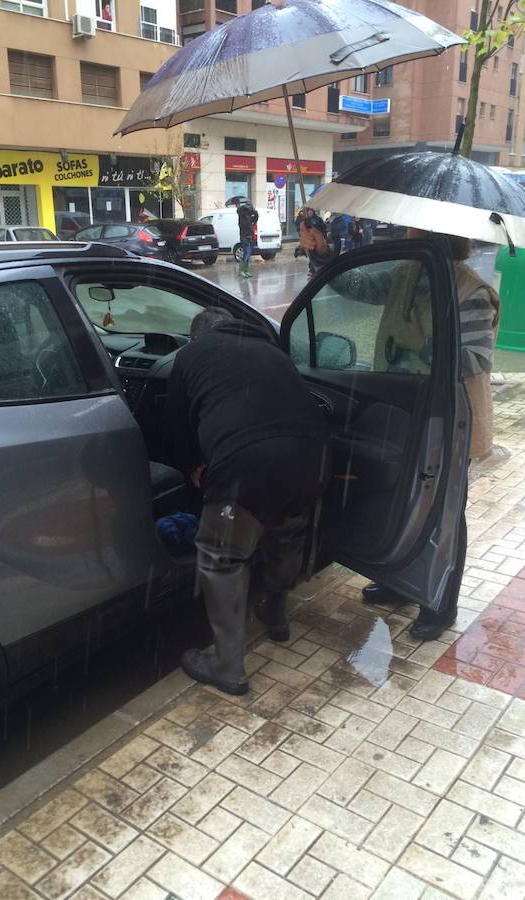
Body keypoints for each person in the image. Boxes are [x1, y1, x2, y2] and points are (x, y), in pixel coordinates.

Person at [297, 224, 499, 640]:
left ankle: (439, 602)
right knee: (402, 497)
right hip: (402, 407)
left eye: (414, 231)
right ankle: (398, 581)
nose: (406, 237)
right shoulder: (406, 273)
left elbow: (474, 358)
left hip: (447, 419)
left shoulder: (471, 290)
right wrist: (323, 252)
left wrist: (422, 343)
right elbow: (357, 286)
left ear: (435, 238)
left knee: (443, 512)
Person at [164, 308, 330, 695]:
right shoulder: (271, 350)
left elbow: (174, 426)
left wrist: (191, 464)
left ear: (196, 337)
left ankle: (227, 666)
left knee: (220, 557)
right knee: (285, 532)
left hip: (248, 462)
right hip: (314, 458)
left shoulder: (192, 355)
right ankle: (275, 613)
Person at [237, 201, 258, 278]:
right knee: (246, 253)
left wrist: (255, 212)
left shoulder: (249, 217)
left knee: (248, 255)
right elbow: (244, 225)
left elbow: (256, 218)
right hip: (244, 237)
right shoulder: (242, 217)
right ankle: (241, 271)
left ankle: (245, 270)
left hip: (250, 237)